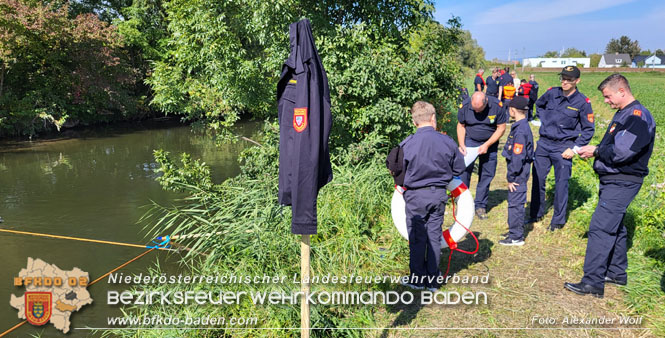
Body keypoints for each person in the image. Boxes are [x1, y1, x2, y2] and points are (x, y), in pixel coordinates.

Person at [564, 74, 656, 298]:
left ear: (622, 91)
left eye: (608, 96)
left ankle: (592, 282)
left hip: (622, 180)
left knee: (600, 228)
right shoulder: (625, 114)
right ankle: (616, 273)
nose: (606, 101)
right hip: (616, 179)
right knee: (615, 225)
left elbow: (622, 152)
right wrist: (595, 151)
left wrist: (595, 150)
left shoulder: (637, 116)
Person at [399, 101, 466, 291]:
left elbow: (398, 173)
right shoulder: (447, 141)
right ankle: (433, 281)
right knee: (434, 235)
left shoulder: (407, 143)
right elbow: (459, 168)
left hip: (415, 197)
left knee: (417, 238)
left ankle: (417, 279)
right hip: (438, 195)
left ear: (414, 122)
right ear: (433, 118)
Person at [527, 66, 595, 230]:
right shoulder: (552, 93)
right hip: (544, 144)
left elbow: (589, 129)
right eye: (563, 78)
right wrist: (545, 119)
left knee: (561, 184)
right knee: (538, 179)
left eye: (569, 79)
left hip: (564, 147)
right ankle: (536, 214)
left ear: (577, 81)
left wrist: (575, 148)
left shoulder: (582, 103)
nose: (564, 82)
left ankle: (557, 221)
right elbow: (539, 104)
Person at [457, 92, 507, 219]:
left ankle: (480, 205)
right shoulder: (465, 106)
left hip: (490, 142)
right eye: (475, 110)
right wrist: (462, 144)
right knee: (464, 172)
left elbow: (501, 128)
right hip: (469, 142)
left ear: (486, 102)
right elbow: (461, 125)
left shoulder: (497, 106)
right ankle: (463, 203)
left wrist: (487, 144)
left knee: (486, 174)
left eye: (480, 110)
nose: (477, 113)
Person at [500, 97, 534, 246]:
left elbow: (517, 157)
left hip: (518, 174)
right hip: (519, 172)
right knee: (515, 203)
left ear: (512, 110)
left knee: (515, 205)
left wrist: (511, 176)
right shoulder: (521, 126)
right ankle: (514, 231)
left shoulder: (520, 130)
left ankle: (516, 237)